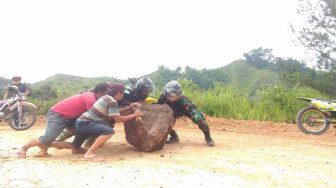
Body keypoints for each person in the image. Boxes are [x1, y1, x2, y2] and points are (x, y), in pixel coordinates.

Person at [53, 82, 143, 162]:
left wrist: (128, 108)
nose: (123, 95)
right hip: (86, 123)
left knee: (75, 145)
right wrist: (134, 115)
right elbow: (117, 119)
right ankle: (89, 153)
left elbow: (114, 113)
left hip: (81, 122)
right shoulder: (112, 101)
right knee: (109, 131)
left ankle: (47, 144)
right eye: (122, 93)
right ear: (118, 92)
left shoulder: (106, 98)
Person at [16, 82, 111, 158]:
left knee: (85, 127)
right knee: (48, 138)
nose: (108, 96)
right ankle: (24, 147)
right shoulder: (91, 99)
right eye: (107, 94)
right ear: (99, 93)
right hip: (58, 115)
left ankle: (76, 148)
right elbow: (99, 115)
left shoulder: (93, 97)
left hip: (71, 118)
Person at [156, 80, 215, 147]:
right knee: (164, 120)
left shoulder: (183, 101)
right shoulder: (163, 97)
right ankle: (174, 137)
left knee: (199, 119)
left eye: (174, 96)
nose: (171, 98)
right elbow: (157, 107)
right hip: (172, 111)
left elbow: (191, 110)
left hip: (186, 110)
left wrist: (196, 115)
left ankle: (208, 137)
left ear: (178, 94)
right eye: (169, 95)